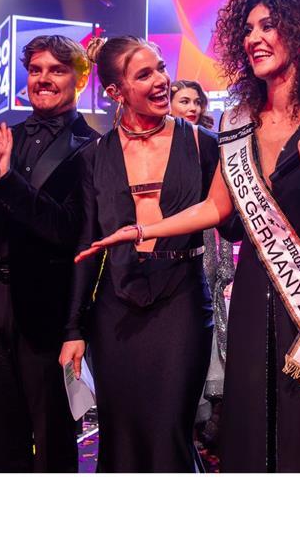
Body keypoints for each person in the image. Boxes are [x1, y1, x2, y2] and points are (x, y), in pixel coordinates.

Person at [77, 0, 300, 472]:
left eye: (268, 26)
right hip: (254, 290)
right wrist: (143, 231)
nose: (253, 38)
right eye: (247, 29)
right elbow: (217, 208)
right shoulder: (239, 118)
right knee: (252, 426)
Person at [0, 35, 98, 472]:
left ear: (79, 79)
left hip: (46, 311)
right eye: (36, 70)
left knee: (52, 439)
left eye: (57, 70)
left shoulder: (93, 148)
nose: (43, 79)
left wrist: (8, 183)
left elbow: (69, 231)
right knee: (0, 436)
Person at [60, 34, 217, 472]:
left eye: (161, 68)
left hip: (181, 302)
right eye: (144, 74)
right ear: (115, 92)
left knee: (170, 430)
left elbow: (230, 224)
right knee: (121, 434)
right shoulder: (94, 157)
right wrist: (74, 328)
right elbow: (87, 248)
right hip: (115, 311)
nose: (161, 80)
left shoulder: (203, 144)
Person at [169, 77, 234, 446]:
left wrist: (223, 260)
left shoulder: (212, 145)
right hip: (174, 244)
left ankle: (213, 419)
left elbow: (223, 209)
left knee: (215, 331)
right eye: (184, 101)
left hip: (210, 241)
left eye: (197, 102)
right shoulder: (163, 147)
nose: (192, 108)